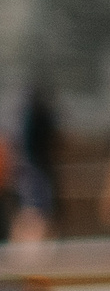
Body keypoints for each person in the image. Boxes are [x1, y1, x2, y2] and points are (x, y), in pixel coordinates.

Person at [10, 84, 61, 248]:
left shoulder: (33, 117)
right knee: (34, 213)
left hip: (36, 169)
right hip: (35, 169)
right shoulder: (33, 117)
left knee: (36, 212)